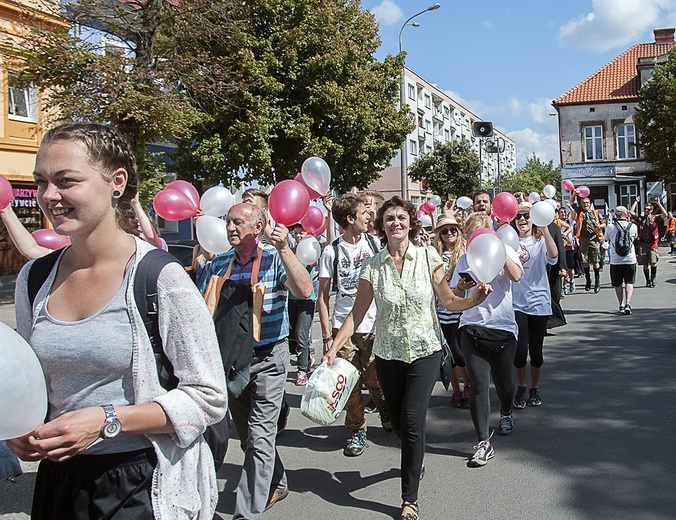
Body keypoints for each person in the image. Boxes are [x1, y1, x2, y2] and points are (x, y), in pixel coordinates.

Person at [7, 123, 227, 519]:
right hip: (59, 482)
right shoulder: (34, 278)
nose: (49, 196)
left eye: (66, 181)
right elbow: (34, 383)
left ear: (117, 182)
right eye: (41, 183)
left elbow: (208, 397)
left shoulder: (159, 277)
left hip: (140, 482)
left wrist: (107, 420)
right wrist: (22, 429)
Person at [323, 197, 490, 520]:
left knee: (412, 421)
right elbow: (357, 314)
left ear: (412, 223)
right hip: (388, 354)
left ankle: (408, 498)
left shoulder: (428, 257)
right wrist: (332, 346)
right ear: (381, 226)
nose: (395, 222)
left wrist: (472, 301)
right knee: (400, 425)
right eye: (389, 218)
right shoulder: (372, 266)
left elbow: (448, 301)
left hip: (425, 351)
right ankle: (416, 458)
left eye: (401, 217)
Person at [201, 202, 312, 519]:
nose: (230, 227)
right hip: (232, 362)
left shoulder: (276, 260)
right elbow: (202, 310)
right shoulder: (219, 263)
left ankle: (245, 514)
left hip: (268, 359)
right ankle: (277, 482)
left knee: (261, 437)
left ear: (259, 226)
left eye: (238, 222)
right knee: (248, 437)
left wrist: (287, 250)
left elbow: (304, 290)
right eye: (228, 222)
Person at [318, 193, 390, 457]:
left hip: (372, 325)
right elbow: (323, 297)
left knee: (375, 378)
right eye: (363, 212)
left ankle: (383, 407)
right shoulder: (331, 251)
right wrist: (328, 337)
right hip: (343, 327)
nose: (368, 215)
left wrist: (382, 321)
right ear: (350, 219)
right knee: (348, 382)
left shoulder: (373, 244)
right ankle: (357, 429)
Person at [450, 212, 522, 467]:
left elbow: (516, 276)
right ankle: (483, 442)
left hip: (503, 329)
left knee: (504, 385)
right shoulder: (463, 260)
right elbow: (454, 295)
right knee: (479, 386)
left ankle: (505, 410)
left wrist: (499, 253)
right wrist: (461, 286)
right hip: (472, 328)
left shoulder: (505, 251)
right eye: (474, 234)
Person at [510, 202, 558, 409]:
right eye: (518, 216)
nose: (522, 219)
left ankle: (534, 388)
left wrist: (545, 227)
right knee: (520, 351)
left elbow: (554, 256)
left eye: (527, 215)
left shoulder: (539, 241)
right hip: (516, 303)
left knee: (536, 352)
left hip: (538, 302)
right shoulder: (509, 241)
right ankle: (520, 386)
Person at [433, 214, 472, 408]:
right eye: (444, 231)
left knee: (459, 352)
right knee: (447, 355)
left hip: (459, 308)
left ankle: (468, 386)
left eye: (453, 230)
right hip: (440, 311)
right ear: (438, 234)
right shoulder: (433, 254)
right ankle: (456, 391)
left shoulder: (464, 251)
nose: (449, 234)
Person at [288, 222, 318, 385]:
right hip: (290, 299)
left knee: (301, 335)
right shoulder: (290, 252)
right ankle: (306, 359)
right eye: (296, 233)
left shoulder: (310, 252)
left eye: (301, 233)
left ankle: (302, 371)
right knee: (293, 337)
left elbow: (314, 261)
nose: (298, 236)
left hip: (307, 300)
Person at [604, 206, 638, 314]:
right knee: (629, 282)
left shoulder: (610, 227)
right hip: (630, 259)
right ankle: (628, 303)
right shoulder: (633, 226)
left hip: (616, 260)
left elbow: (606, 239)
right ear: (626, 215)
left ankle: (621, 304)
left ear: (616, 216)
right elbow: (635, 238)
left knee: (618, 283)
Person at [571, 191, 605, 293]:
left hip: (594, 239)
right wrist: (574, 194)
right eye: (584, 203)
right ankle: (588, 280)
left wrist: (599, 226)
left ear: (589, 204)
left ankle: (597, 282)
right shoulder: (580, 212)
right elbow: (572, 202)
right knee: (585, 261)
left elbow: (604, 224)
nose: (585, 204)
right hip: (583, 239)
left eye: (587, 203)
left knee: (595, 262)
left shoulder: (595, 213)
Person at [631, 197, 668, 287]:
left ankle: (653, 278)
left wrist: (658, 204)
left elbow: (665, 214)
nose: (646, 210)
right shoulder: (641, 218)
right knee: (645, 264)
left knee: (653, 262)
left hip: (653, 243)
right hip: (643, 244)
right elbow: (631, 212)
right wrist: (636, 202)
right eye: (645, 209)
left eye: (648, 209)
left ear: (651, 210)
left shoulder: (655, 218)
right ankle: (647, 280)